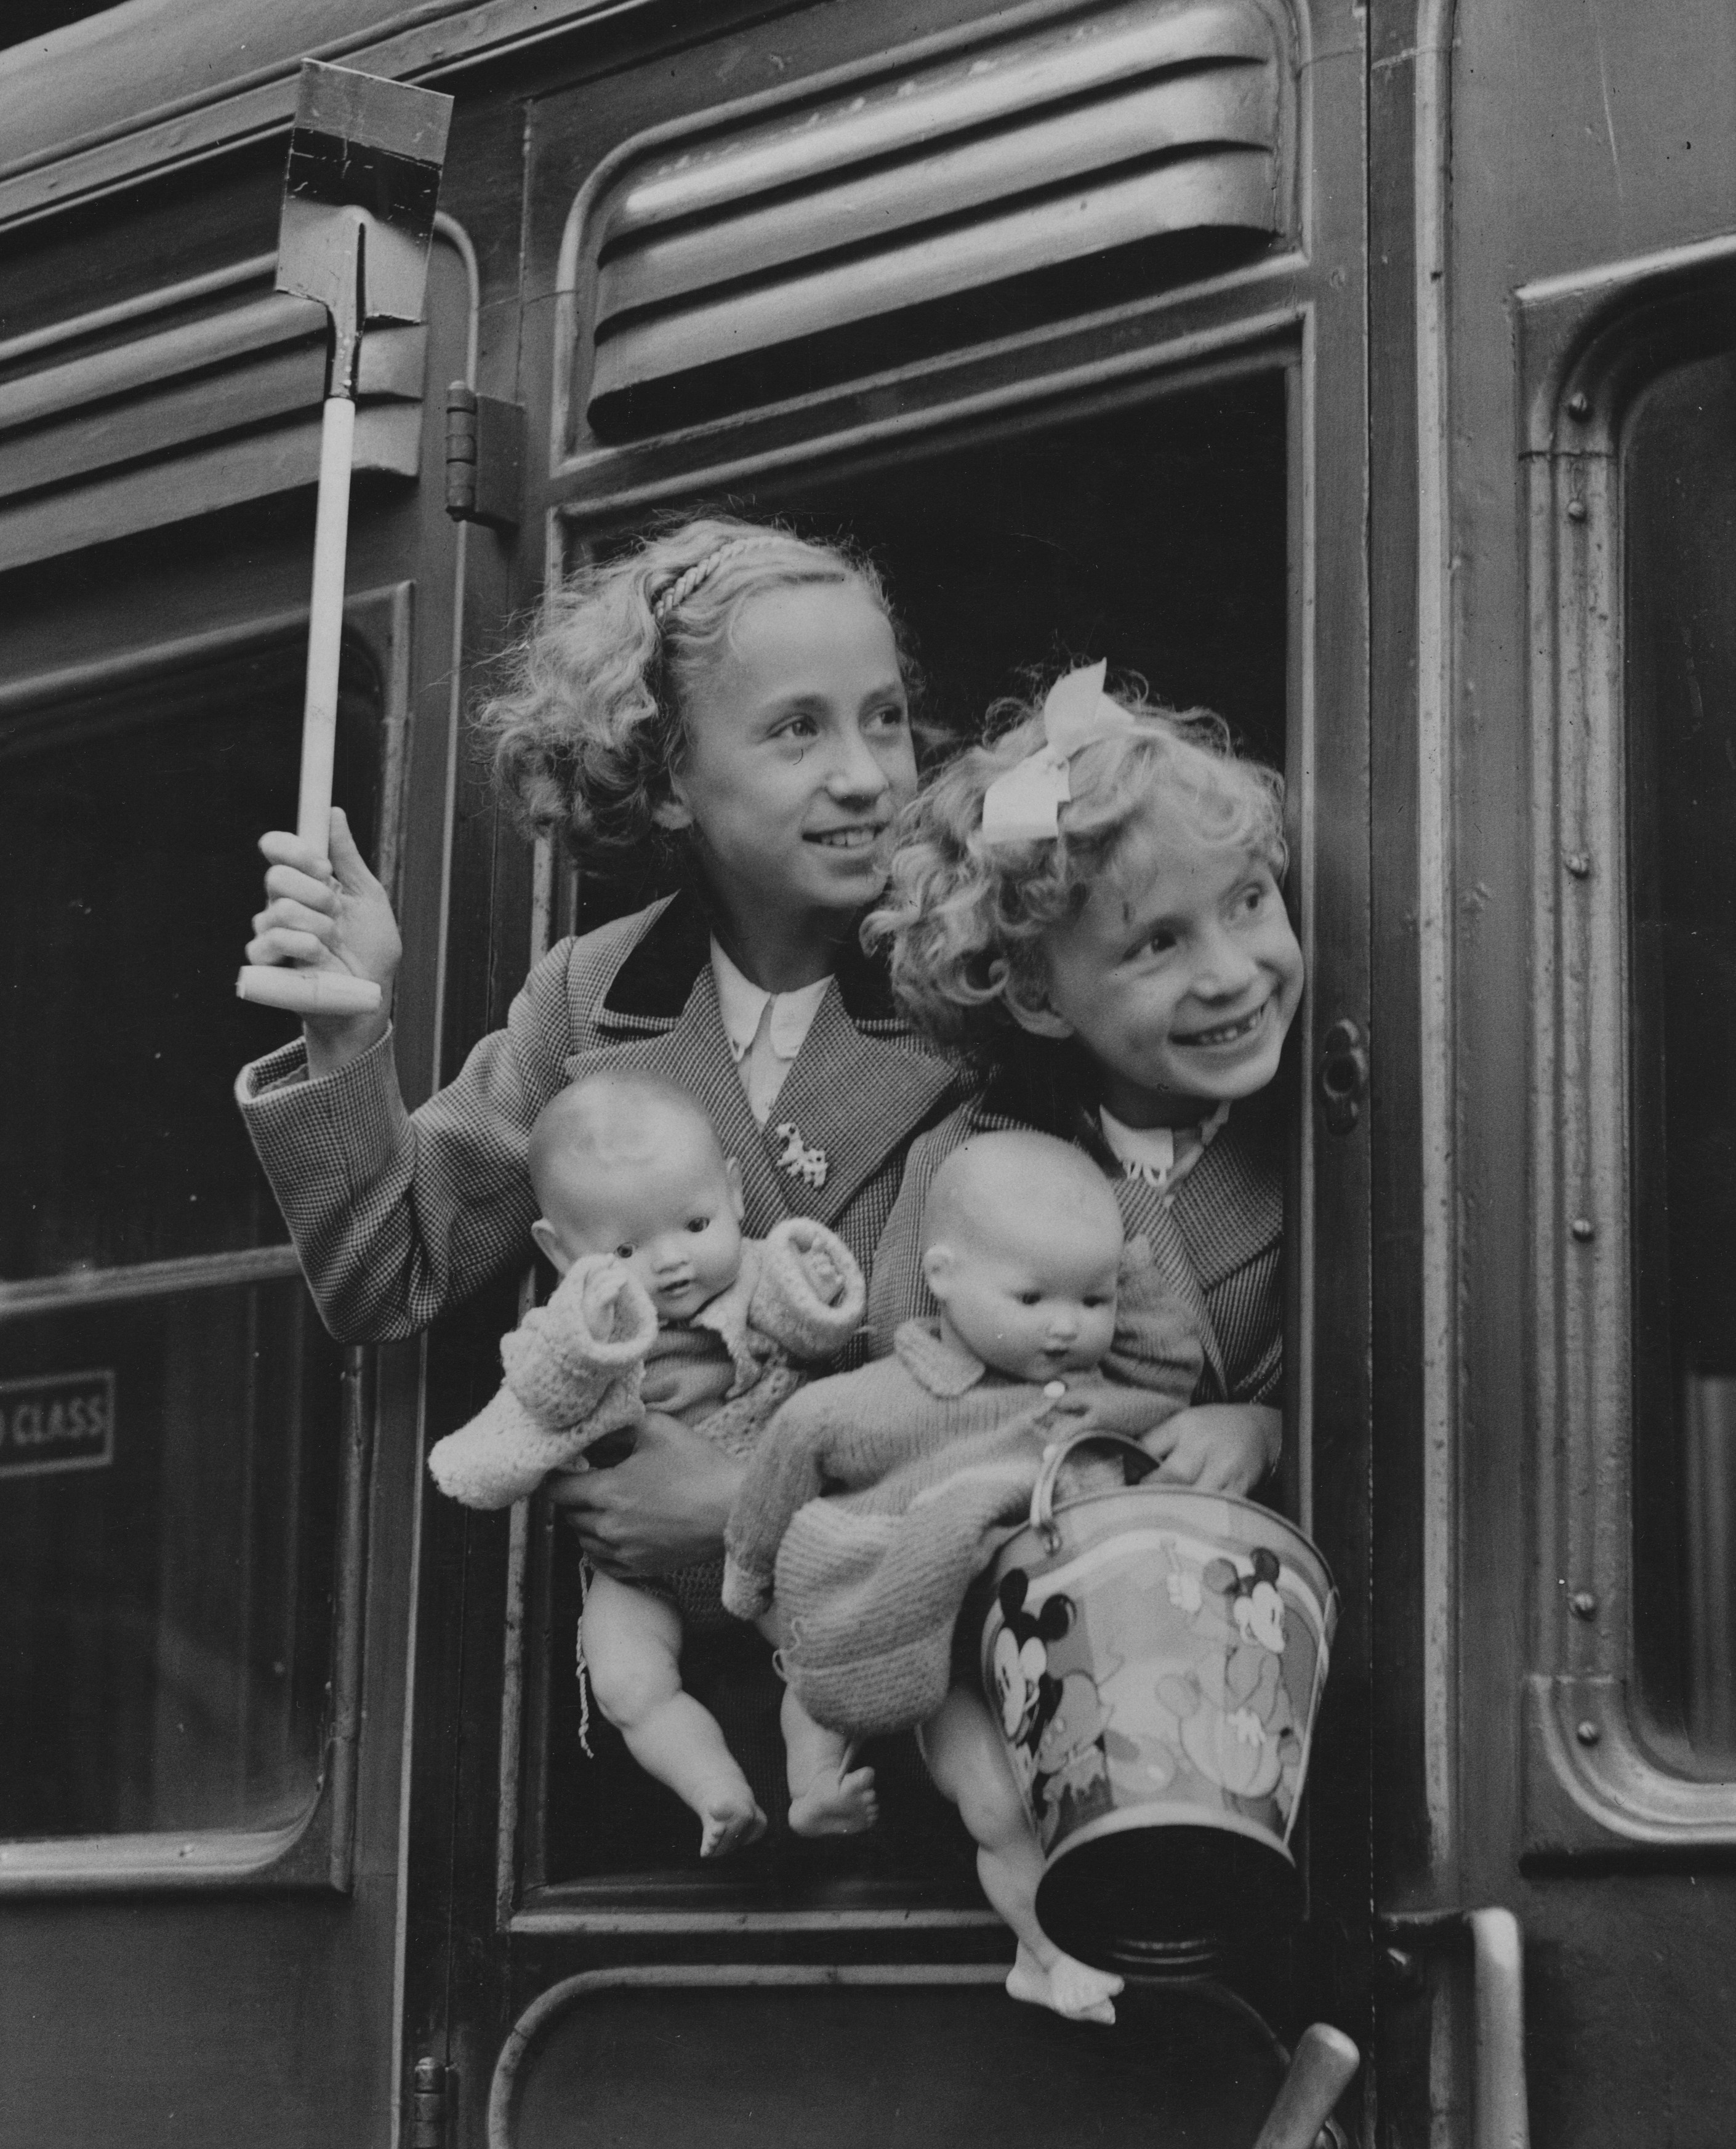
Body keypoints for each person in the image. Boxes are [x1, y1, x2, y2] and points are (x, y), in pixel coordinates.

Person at [235, 513, 968, 1590]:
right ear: (670, 781)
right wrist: (347, 1026)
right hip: (647, 1677)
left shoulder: (968, 987)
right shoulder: (591, 995)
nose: (865, 774)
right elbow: (387, 1275)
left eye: (885, 717)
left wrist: (749, 1510)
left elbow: (1020, 1380)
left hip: (900, 1632)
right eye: (798, 729)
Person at [721, 1130, 1201, 2023]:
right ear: (941, 1276)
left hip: (1067, 1653)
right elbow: (789, 1449)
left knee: (1092, 1799)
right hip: (936, 1645)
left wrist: (1125, 1264)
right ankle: (1045, 1950)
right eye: (1033, 1297)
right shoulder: (887, 1400)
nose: (1067, 1325)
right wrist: (748, 1576)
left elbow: (1176, 1366)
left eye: (1093, 1298)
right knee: (988, 1800)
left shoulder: (1092, 1391)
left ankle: (1058, 1946)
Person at [862, 660, 1303, 1498]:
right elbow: (916, 1416)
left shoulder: (1323, 1140)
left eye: (1248, 900)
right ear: (1038, 995)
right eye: (1157, 943)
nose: (1231, 973)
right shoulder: (962, 1169)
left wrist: (1272, 1431)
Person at [426, 1070, 875, 1854]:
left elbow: (819, 1327)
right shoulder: (579, 1335)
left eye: (696, 1222)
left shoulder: (759, 1273)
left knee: (826, 1644)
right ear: (560, 1251)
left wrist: (821, 1286)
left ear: (736, 1192)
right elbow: (533, 1406)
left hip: (762, 1531)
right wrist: (490, 1453)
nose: (671, 1261)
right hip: (641, 1568)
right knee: (626, 1681)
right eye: (626, 1248)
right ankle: (716, 1792)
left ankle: (813, 1785)